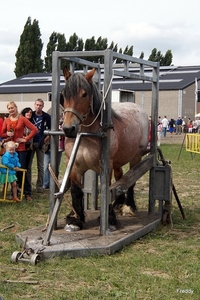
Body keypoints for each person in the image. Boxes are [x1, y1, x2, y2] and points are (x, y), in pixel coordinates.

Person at [1, 101, 38, 201]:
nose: (11, 110)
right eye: (9, 108)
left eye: (12, 108)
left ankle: (27, 193)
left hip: (20, 149)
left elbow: (35, 129)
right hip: (9, 149)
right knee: (11, 171)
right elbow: (2, 134)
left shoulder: (22, 119)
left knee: (22, 170)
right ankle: (15, 193)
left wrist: (25, 139)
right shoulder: (7, 120)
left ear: (16, 108)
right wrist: (7, 134)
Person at [27, 99, 51, 193]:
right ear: (34, 105)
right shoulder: (30, 115)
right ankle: (28, 185)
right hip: (30, 143)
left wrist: (46, 140)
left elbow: (52, 129)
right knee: (28, 166)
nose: (38, 106)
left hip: (41, 144)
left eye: (40, 105)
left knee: (40, 166)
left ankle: (39, 186)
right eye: (37, 105)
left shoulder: (46, 117)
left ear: (43, 106)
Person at [43, 114, 65, 189]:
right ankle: (46, 184)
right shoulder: (50, 124)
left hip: (59, 148)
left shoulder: (63, 125)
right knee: (46, 166)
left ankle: (54, 183)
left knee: (56, 167)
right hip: (49, 148)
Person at [20, 107, 34, 201]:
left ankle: (27, 192)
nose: (29, 114)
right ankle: (19, 189)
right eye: (27, 112)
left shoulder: (31, 123)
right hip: (20, 148)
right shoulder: (20, 122)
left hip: (29, 148)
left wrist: (26, 139)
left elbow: (35, 131)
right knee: (20, 169)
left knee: (26, 169)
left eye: (30, 113)